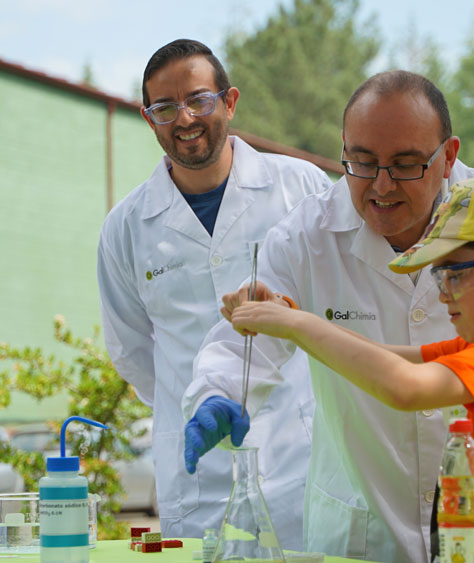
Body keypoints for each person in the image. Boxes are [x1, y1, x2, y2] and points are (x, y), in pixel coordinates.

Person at [182, 70, 474, 562]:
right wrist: (221, 388)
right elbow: (252, 346)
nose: (381, 185)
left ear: (447, 157)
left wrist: (302, 325)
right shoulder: (306, 235)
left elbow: (413, 387)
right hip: (364, 524)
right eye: (361, 162)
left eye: (405, 165)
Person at [228, 175, 474, 563]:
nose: (443, 294)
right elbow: (390, 358)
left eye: (455, 275)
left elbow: (406, 387)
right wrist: (289, 316)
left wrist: (298, 326)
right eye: (439, 277)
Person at [96, 39, 331, 546]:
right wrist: (193, 401)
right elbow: (132, 351)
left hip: (296, 458)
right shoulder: (126, 227)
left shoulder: (302, 188)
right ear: (148, 117)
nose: (184, 118)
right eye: (165, 107)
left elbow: (335, 308)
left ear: (230, 101)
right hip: (196, 474)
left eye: (199, 99)